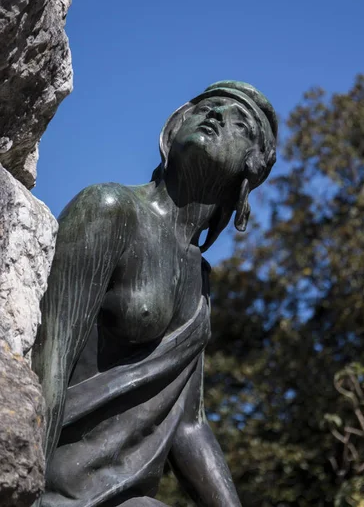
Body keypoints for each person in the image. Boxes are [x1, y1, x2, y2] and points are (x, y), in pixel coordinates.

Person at [32, 80, 278, 507]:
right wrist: (25, 486)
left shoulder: (200, 284)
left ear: (249, 172)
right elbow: (50, 357)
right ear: (176, 125)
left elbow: (189, 427)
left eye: (240, 123)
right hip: (61, 484)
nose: (216, 115)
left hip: (131, 495)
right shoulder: (108, 209)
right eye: (207, 108)